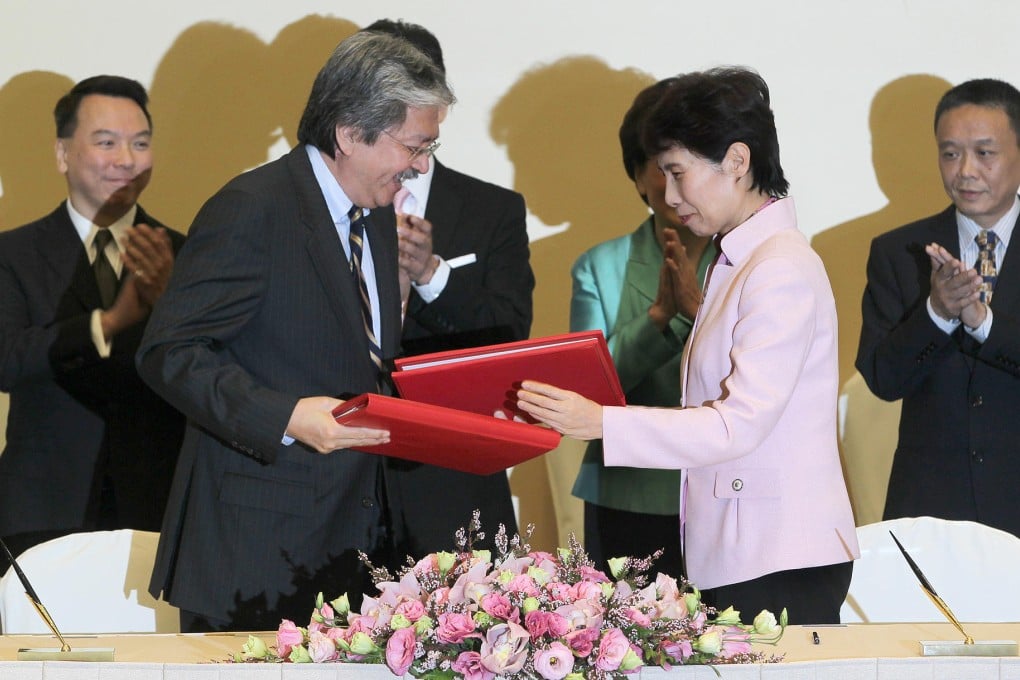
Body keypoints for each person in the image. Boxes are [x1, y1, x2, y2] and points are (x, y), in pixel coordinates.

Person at [136, 32, 454, 632]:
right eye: (414, 145)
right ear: (349, 133)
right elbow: (168, 353)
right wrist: (285, 417)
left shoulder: (377, 214)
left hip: (354, 548)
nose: (422, 165)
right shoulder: (252, 208)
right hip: (253, 553)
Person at [516, 67, 859, 624]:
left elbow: (736, 423)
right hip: (744, 548)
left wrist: (603, 422)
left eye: (678, 173)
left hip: (777, 554)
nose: (669, 197)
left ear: (737, 161)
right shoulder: (743, 258)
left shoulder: (778, 268)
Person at [359, 19, 531, 556]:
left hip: (453, 481)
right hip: (344, 474)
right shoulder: (315, 206)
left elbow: (510, 331)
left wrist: (433, 275)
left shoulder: (492, 209)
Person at [0, 76, 185, 559]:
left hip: (156, 507)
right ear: (63, 154)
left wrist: (170, 304)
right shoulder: (12, 254)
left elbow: (211, 374)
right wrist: (109, 321)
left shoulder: (187, 253)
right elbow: (7, 360)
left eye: (140, 143)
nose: (127, 159)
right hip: (41, 509)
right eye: (107, 142)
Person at [856, 78, 1020, 537]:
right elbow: (883, 378)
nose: (965, 170)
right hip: (929, 507)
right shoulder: (899, 251)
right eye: (950, 153)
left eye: (984, 153)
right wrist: (937, 313)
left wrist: (982, 322)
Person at [570, 78, 714, 579]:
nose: (679, 183)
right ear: (637, 177)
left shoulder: (750, 260)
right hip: (628, 492)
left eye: (692, 161)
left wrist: (698, 315)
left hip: (726, 487)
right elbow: (586, 391)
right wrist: (660, 319)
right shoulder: (599, 266)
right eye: (663, 164)